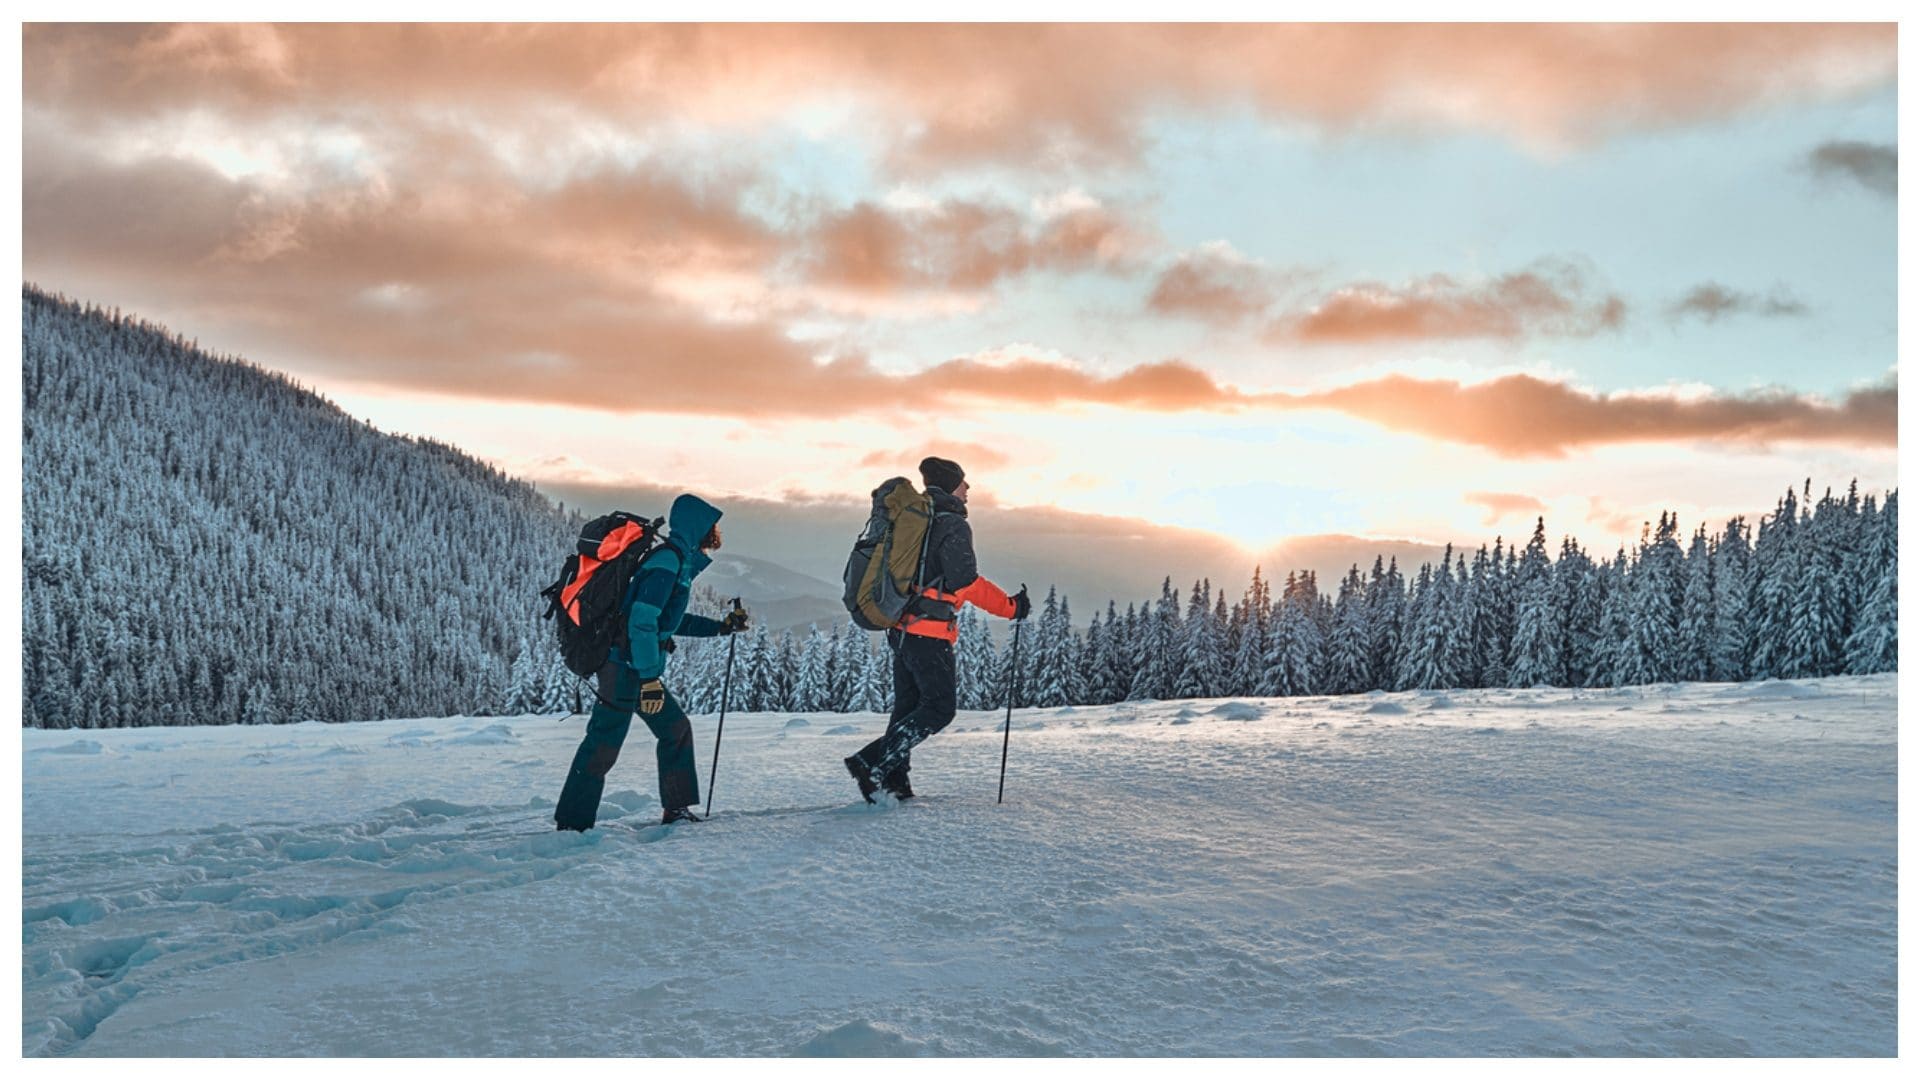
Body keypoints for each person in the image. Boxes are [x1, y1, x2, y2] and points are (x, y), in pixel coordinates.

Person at [555, 494, 750, 830]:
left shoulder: (675, 561)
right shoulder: (667, 563)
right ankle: (573, 824)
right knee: (603, 744)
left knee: (674, 730)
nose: (716, 532)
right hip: (624, 669)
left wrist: (720, 627)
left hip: (632, 667)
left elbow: (666, 621)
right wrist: (648, 679)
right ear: (697, 526)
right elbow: (642, 622)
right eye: (712, 525)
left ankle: (675, 810)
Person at [844, 456, 1029, 802]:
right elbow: (965, 582)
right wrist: (1011, 607)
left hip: (902, 629)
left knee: (908, 707)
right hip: (928, 633)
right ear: (950, 485)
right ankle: (872, 762)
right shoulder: (952, 524)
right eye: (962, 482)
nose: (968, 487)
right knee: (940, 708)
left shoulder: (920, 519)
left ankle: (893, 783)